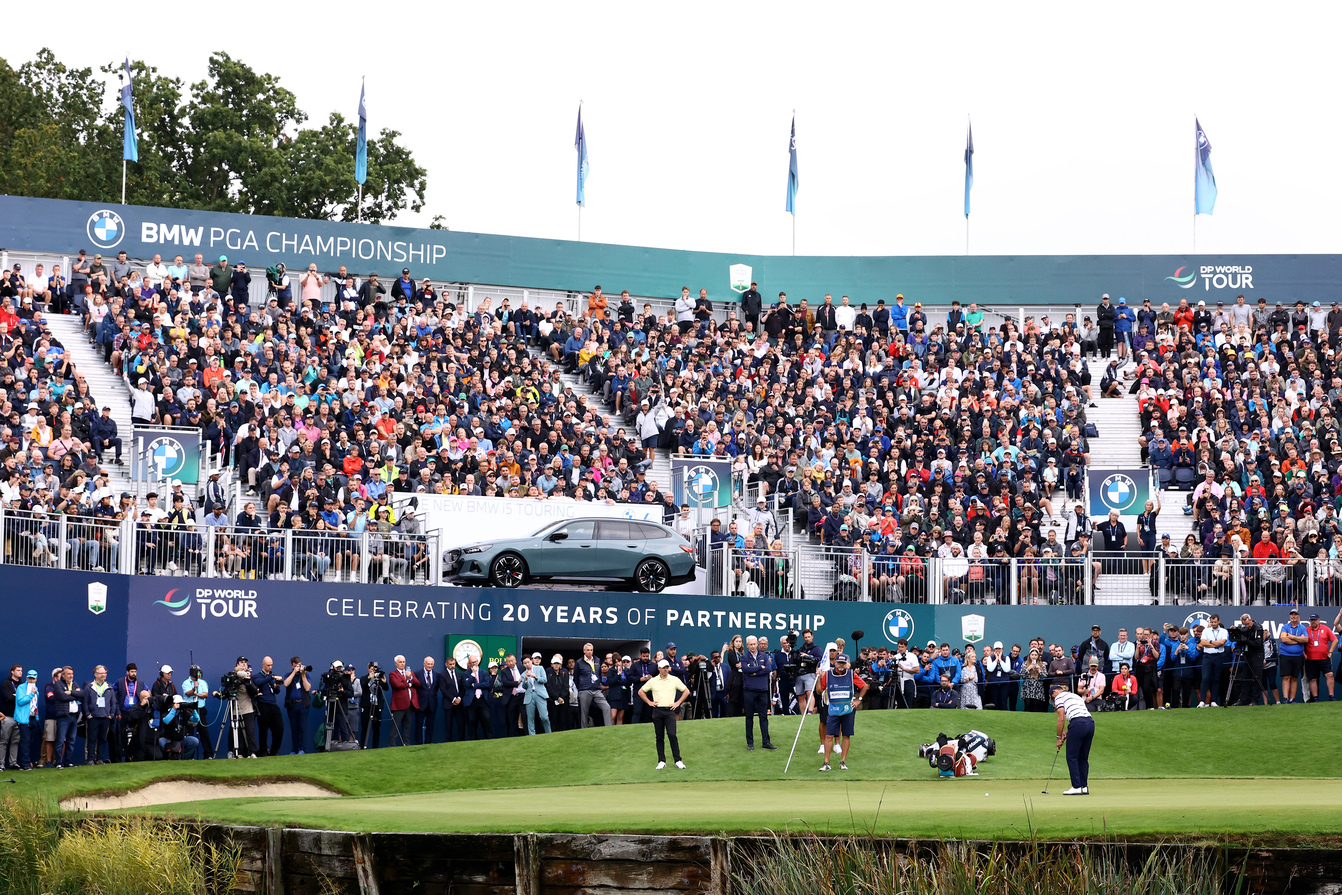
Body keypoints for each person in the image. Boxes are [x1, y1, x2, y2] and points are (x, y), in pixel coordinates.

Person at [816, 653, 866, 771]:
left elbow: (864, 686)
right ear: (835, 663)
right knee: (829, 736)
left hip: (848, 709)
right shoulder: (828, 675)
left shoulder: (851, 674)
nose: (841, 665)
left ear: (846, 664)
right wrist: (818, 678)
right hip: (833, 709)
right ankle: (826, 762)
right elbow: (819, 691)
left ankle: (843, 761)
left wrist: (859, 700)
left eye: (843, 663)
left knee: (846, 735)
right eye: (839, 663)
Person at [638, 659, 688, 769]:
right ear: (659, 668)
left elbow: (686, 691)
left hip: (670, 710)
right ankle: (661, 760)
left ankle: (678, 760)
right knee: (659, 737)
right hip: (657, 710)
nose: (666, 670)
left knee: (672, 735)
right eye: (663, 668)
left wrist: (678, 702)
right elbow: (641, 691)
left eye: (667, 667)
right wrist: (649, 702)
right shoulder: (653, 681)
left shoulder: (674, 679)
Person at [1050, 682, 1095, 795]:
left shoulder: (1059, 697)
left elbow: (1061, 718)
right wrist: (1067, 731)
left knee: (1072, 757)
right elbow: (1079, 715)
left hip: (1078, 724)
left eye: (1052, 697)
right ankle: (1084, 786)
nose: (1054, 701)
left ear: (1055, 692)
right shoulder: (1075, 696)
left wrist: (1058, 738)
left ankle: (1076, 786)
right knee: (1082, 757)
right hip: (1090, 723)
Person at [741, 636, 777, 751]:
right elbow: (746, 670)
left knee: (763, 717)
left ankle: (766, 742)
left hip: (762, 690)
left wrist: (755, 671)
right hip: (749, 690)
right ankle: (750, 743)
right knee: (749, 717)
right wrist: (759, 668)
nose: (752, 646)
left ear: (757, 644)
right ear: (747, 645)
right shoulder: (744, 657)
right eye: (750, 644)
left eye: (754, 644)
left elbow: (768, 669)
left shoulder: (764, 656)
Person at [574, 643, 611, 728]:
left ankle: (609, 728)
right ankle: (584, 731)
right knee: (584, 713)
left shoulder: (597, 660)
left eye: (591, 650)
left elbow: (598, 673)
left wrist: (598, 683)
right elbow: (576, 678)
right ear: (584, 651)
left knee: (606, 707)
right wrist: (581, 687)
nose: (590, 652)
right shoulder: (579, 662)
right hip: (585, 689)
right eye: (588, 650)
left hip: (596, 689)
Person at [255, 657, 285, 757]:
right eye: (268, 665)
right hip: (262, 704)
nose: (270, 667)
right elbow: (258, 683)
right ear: (263, 664)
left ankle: (274, 750)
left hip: (273, 704)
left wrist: (276, 686)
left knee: (279, 728)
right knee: (263, 730)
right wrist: (271, 677)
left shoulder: (272, 676)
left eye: (271, 665)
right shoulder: (257, 676)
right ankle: (263, 750)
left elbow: (277, 691)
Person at [1304, 613, 1337, 701]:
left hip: (1324, 658)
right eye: (1311, 620)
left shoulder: (1325, 629)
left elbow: (1335, 640)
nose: (1313, 622)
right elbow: (1301, 642)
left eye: (1315, 620)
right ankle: (1315, 698)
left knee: (1329, 675)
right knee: (1312, 679)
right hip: (1311, 659)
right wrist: (1304, 654)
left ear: (1319, 620)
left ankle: (1331, 696)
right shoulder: (1306, 630)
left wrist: (1330, 651)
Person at [388, 655, 420, 747]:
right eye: (400, 662)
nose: (402, 664)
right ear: (396, 663)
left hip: (410, 704)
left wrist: (411, 678)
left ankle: (406, 744)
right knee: (395, 727)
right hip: (399, 705)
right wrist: (409, 683)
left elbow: (418, 684)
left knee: (407, 726)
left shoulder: (410, 673)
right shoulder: (393, 674)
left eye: (404, 662)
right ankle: (392, 745)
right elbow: (397, 685)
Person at [158, 695, 202, 760]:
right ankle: (167, 757)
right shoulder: (168, 712)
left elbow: (196, 719)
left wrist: (193, 710)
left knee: (194, 741)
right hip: (169, 740)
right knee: (161, 742)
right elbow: (166, 721)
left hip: (181, 739)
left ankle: (184, 758)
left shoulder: (184, 712)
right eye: (178, 703)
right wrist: (174, 710)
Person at [282, 659, 312, 754]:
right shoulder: (288, 675)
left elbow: (307, 688)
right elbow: (285, 684)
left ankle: (302, 749)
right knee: (294, 728)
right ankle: (294, 749)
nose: (299, 667)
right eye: (297, 665)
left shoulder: (306, 675)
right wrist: (294, 673)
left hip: (302, 704)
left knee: (302, 728)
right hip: (292, 705)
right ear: (292, 665)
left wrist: (303, 675)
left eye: (300, 665)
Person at [1278, 609, 1308, 704]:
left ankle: (1292, 699)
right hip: (1285, 655)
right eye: (1292, 614)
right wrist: (1298, 640)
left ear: (1298, 616)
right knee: (1286, 677)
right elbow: (1284, 639)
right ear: (1290, 616)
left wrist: (1292, 637)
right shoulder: (1285, 627)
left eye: (1295, 614)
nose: (1294, 616)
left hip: (1298, 656)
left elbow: (1306, 639)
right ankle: (1286, 698)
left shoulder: (1302, 628)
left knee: (1294, 677)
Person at [521, 654, 551, 735]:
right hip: (529, 696)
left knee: (544, 717)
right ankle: (532, 736)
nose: (527, 664)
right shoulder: (523, 674)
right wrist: (526, 679)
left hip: (540, 694)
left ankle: (549, 733)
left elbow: (545, 680)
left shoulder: (540, 668)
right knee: (530, 718)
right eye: (525, 663)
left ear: (531, 660)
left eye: (528, 662)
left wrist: (536, 677)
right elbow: (524, 686)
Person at [413, 657, 440, 744]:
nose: (430, 666)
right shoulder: (417, 673)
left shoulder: (437, 674)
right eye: (428, 664)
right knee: (418, 725)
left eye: (431, 664)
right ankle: (418, 743)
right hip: (421, 703)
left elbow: (436, 688)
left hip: (432, 703)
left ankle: (429, 742)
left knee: (430, 725)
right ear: (424, 664)